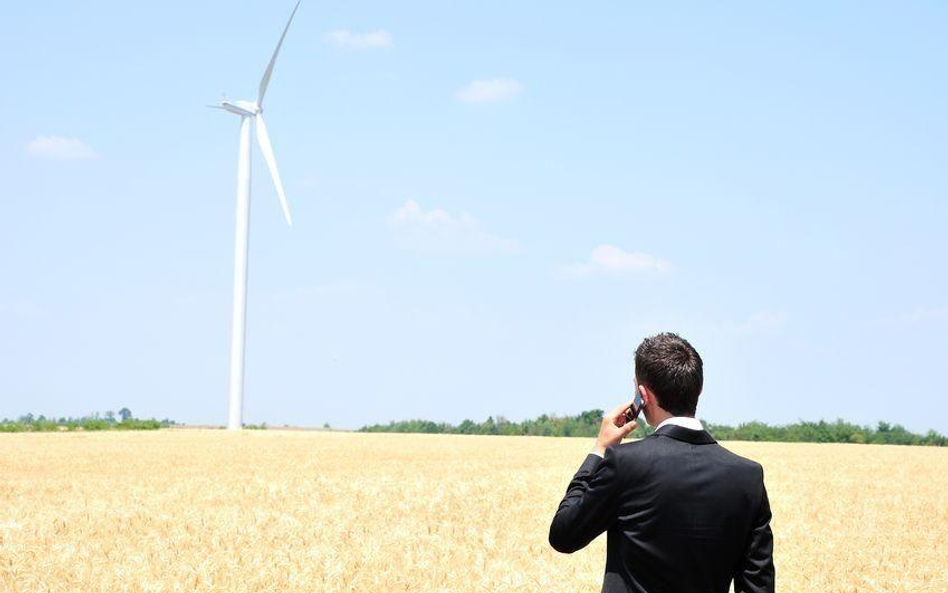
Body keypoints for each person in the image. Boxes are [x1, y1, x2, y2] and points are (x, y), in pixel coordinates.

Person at [548, 332, 775, 593]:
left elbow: (564, 535)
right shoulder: (748, 477)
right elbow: (759, 587)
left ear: (642, 396)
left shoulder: (625, 463)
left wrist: (599, 449)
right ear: (699, 389)